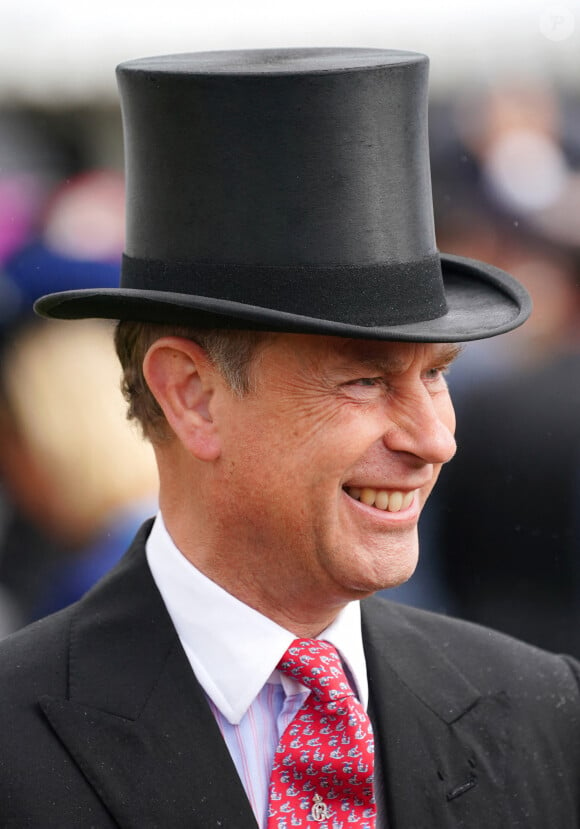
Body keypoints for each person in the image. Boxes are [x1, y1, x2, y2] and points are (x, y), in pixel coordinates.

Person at [0, 48, 578, 829]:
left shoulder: (543, 716)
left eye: (436, 373)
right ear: (192, 396)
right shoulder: (20, 739)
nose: (434, 437)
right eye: (365, 380)